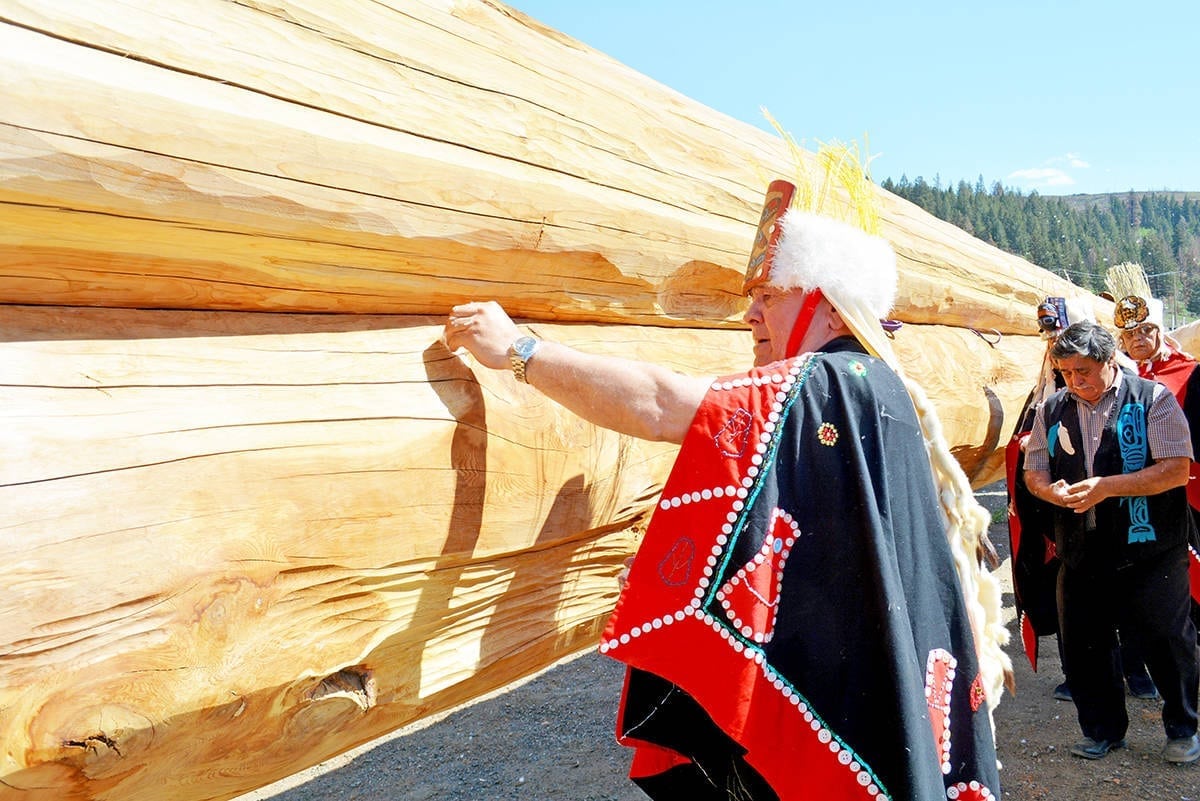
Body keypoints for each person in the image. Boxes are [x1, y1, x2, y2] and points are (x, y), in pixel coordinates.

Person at [444, 181, 1006, 800]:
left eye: (770, 294)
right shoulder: (875, 383)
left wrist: (521, 351)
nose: (752, 314)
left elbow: (662, 406)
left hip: (837, 688)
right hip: (863, 676)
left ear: (832, 305)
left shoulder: (825, 382)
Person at [1023, 320, 1200, 763]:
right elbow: (1034, 471)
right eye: (1065, 372)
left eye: (1083, 370)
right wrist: (1050, 492)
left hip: (1151, 547)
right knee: (1084, 643)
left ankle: (1182, 727)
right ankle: (1102, 730)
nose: (1074, 381)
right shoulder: (1052, 409)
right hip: (1081, 549)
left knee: (1166, 639)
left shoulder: (1152, 399)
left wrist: (1108, 486)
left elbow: (1176, 469)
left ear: (1108, 361)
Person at [1106, 262, 1200, 634]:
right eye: (1131, 334)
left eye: (1146, 329)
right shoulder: (1119, 376)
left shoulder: (1190, 371)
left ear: (1160, 331)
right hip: (1132, 492)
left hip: (1184, 491)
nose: (1139, 338)